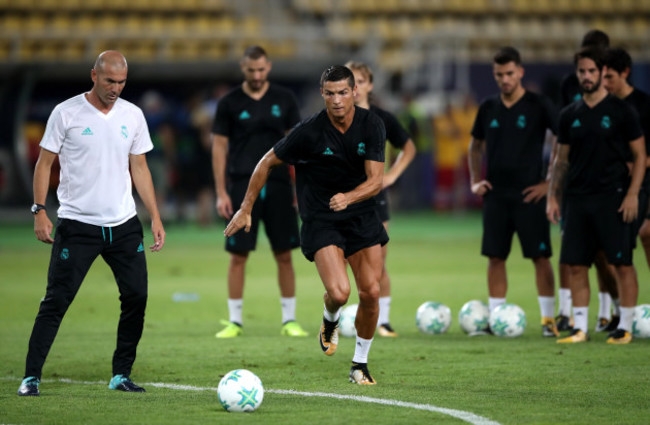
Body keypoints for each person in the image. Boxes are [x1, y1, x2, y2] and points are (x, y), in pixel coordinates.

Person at [224, 65, 388, 385]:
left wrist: (349, 198)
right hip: (322, 218)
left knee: (371, 292)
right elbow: (266, 162)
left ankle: (360, 364)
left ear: (355, 92)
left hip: (361, 215)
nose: (337, 100)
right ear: (322, 95)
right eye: (330, 93)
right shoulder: (309, 131)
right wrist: (246, 208)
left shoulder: (372, 125)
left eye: (343, 92)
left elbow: (376, 181)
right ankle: (330, 318)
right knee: (340, 293)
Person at [18, 51, 166, 396]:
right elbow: (44, 164)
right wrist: (40, 210)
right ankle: (31, 377)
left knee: (136, 297)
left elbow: (139, 167)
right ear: (94, 76)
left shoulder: (133, 115)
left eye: (122, 82)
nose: (116, 88)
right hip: (77, 225)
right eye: (110, 81)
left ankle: (121, 374)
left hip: (125, 225)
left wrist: (155, 216)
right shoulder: (66, 113)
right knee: (56, 301)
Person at [547, 46, 645, 344]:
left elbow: (640, 156)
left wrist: (632, 195)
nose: (586, 77)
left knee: (621, 263)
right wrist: (553, 195)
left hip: (612, 197)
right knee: (576, 264)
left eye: (592, 71)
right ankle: (580, 328)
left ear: (602, 73)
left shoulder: (621, 112)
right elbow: (561, 160)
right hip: (577, 198)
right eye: (582, 71)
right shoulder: (569, 114)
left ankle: (625, 326)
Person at [211, 46, 307, 338]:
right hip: (241, 186)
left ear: (269, 67)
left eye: (261, 69)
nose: (256, 75)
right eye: (251, 70)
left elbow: (298, 146)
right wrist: (220, 192)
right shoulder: (229, 102)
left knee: (284, 254)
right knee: (238, 255)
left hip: (278, 184)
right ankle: (235, 321)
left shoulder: (285, 99)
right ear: (243, 67)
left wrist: (299, 189)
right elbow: (219, 147)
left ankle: (289, 320)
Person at [468, 47, 559, 337]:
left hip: (530, 194)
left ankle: (548, 321)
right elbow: (474, 146)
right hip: (496, 194)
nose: (504, 79)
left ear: (520, 72)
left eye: (509, 73)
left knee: (540, 257)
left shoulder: (538, 104)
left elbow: (561, 141)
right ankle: (496, 318)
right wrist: (474, 180)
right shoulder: (488, 107)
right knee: (496, 257)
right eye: (499, 75)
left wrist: (549, 183)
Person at [345, 61, 416, 337]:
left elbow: (408, 146)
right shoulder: (335, 117)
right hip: (344, 198)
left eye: (360, 81)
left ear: (369, 85)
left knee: (379, 261)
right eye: (351, 81)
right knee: (341, 261)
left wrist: (392, 175)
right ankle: (342, 315)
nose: (356, 87)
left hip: (375, 198)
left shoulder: (382, 118)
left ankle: (382, 321)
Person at [556, 29, 616, 333]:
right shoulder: (570, 89)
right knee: (572, 251)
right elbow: (561, 138)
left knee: (605, 255)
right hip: (575, 185)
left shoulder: (614, 96)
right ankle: (567, 312)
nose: (586, 74)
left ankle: (608, 312)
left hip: (607, 187)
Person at [603, 47, 650, 268]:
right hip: (612, 184)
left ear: (625, 73)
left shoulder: (644, 105)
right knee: (609, 250)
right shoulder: (603, 108)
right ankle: (614, 302)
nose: (605, 83)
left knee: (644, 235)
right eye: (602, 77)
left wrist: (641, 163)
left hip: (644, 183)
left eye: (610, 77)